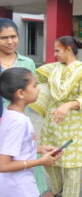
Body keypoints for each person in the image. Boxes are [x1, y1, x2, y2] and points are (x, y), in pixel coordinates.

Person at [30, 36, 82, 197]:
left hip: (74, 125)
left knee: (71, 166)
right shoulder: (53, 68)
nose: (55, 54)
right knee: (50, 159)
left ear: (68, 49)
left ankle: (70, 194)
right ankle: (56, 189)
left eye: (57, 50)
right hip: (53, 122)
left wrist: (67, 105)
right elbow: (32, 77)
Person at [0, 18, 49, 195]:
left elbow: (31, 94)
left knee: (22, 160)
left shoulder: (27, 62)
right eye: (4, 37)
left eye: (13, 36)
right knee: (6, 165)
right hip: (6, 121)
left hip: (20, 118)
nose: (10, 41)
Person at [0, 67, 62, 197]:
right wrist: (41, 161)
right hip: (18, 188)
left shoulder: (10, 112)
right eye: (34, 86)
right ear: (21, 93)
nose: (38, 88)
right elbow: (3, 165)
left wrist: (39, 149)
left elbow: (14, 148)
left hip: (16, 185)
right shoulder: (18, 122)